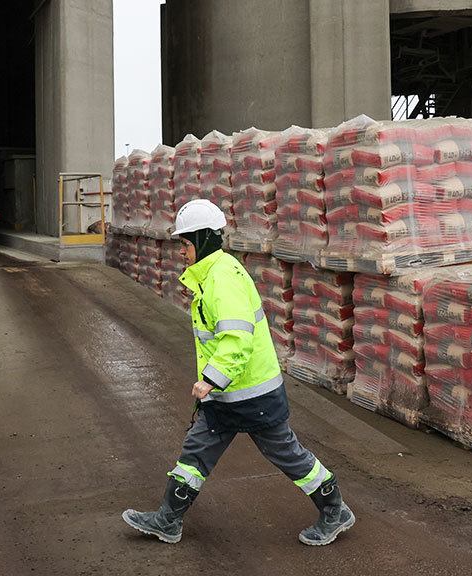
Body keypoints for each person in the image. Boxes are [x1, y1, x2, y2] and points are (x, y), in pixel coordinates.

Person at [121, 199, 355, 546]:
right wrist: (214, 387)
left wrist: (210, 380)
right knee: (195, 453)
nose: (181, 252)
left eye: (184, 244)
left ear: (201, 242)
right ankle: (168, 520)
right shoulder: (210, 276)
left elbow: (237, 339)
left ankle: (335, 510)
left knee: (288, 455)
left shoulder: (222, 279)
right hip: (227, 396)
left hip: (252, 395)